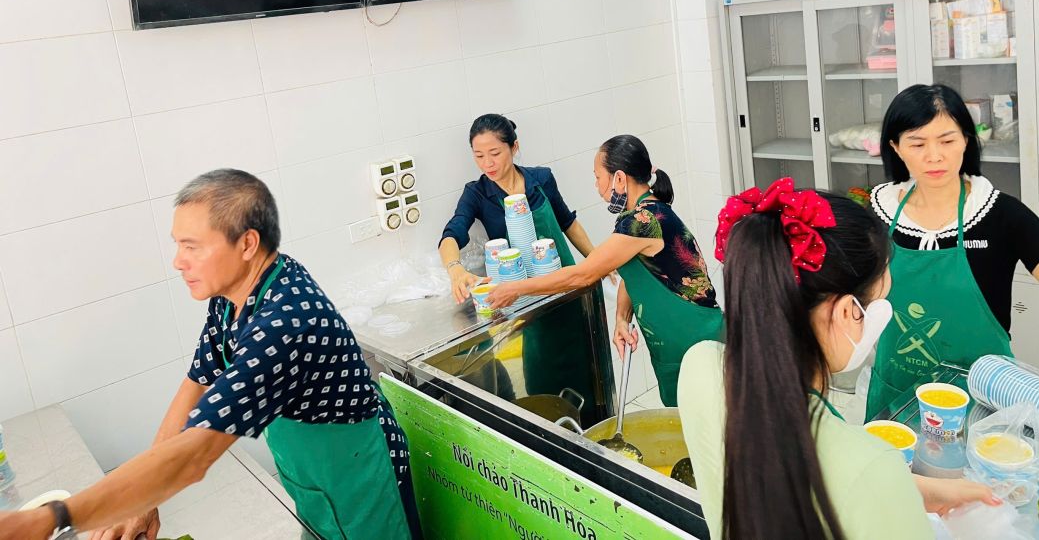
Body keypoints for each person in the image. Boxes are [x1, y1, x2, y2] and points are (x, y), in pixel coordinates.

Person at [0, 169, 419, 540]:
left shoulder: (286, 324)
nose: (178, 261)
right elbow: (196, 385)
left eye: (192, 246)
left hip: (360, 478)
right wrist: (143, 502)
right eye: (177, 245)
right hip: (318, 481)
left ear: (247, 243)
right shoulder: (233, 296)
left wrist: (53, 518)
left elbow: (195, 455)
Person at [678, 179, 998, 539]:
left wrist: (921, 492)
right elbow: (858, 479)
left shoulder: (699, 368)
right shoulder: (871, 466)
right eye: (879, 303)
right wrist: (894, 487)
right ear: (848, 312)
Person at [865, 84, 1039, 418]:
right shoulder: (879, 212)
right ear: (896, 147)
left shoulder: (1003, 215)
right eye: (917, 143)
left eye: (947, 141)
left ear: (967, 140)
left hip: (981, 400)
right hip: (898, 396)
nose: (934, 156)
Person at [486, 134, 723, 406]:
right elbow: (635, 275)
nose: (597, 186)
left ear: (619, 179)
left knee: (706, 422)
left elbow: (583, 274)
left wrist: (516, 288)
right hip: (680, 339)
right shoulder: (643, 212)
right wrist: (622, 318)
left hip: (692, 340)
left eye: (598, 177)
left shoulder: (642, 221)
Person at [439, 113, 595, 303]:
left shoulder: (542, 178)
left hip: (566, 284)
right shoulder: (477, 193)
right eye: (479, 156)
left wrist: (597, 262)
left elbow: (568, 224)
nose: (487, 163)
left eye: (495, 153)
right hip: (519, 299)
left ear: (514, 147)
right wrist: (455, 268)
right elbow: (452, 234)